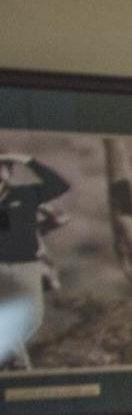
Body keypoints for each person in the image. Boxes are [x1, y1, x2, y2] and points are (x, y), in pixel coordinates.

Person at [0, 152, 70, 369]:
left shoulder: (26, 194)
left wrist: (27, 160)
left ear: (10, 170)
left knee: (33, 319)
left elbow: (60, 185)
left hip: (27, 265)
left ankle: (10, 360)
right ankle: (21, 367)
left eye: (4, 165)